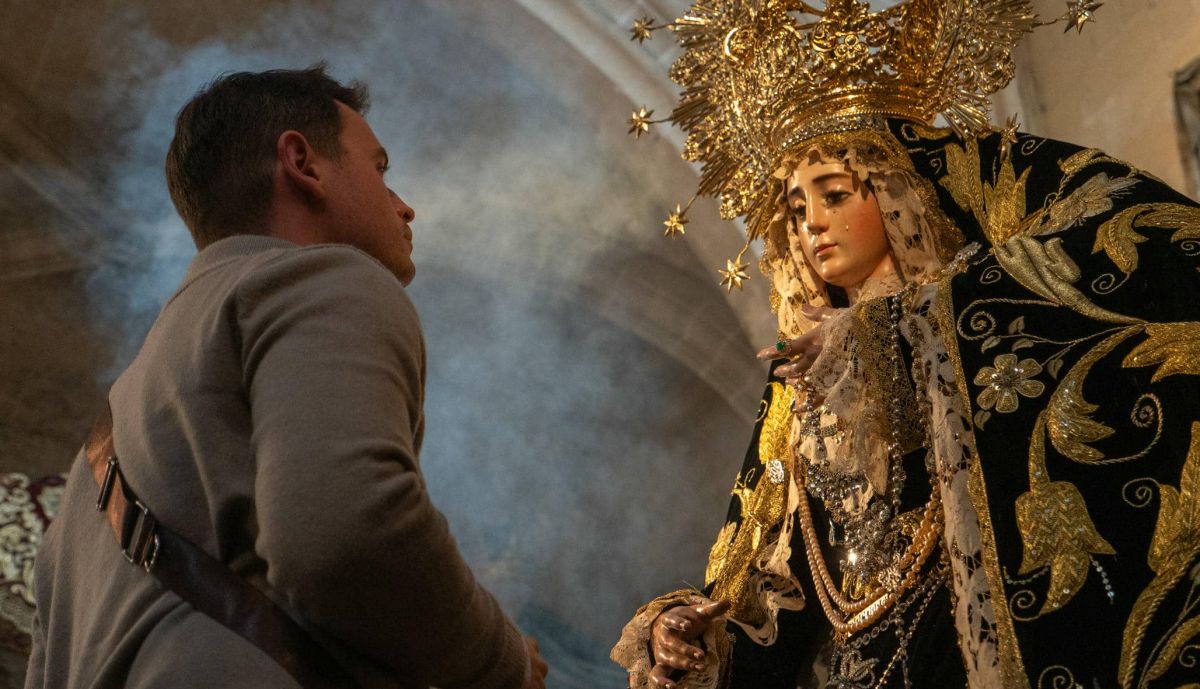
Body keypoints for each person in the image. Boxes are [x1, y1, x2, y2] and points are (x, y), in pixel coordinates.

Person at [612, 2, 1200, 688]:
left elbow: (1153, 244)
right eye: (797, 209)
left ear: (895, 193)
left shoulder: (965, 313)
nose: (811, 228)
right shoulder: (802, 388)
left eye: (833, 195)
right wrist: (694, 635)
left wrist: (897, 327)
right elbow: (782, 602)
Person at [25, 66, 549, 689]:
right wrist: (501, 660)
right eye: (380, 169)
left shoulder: (116, 427)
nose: (404, 204)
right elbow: (344, 531)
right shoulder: (323, 280)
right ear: (302, 162)